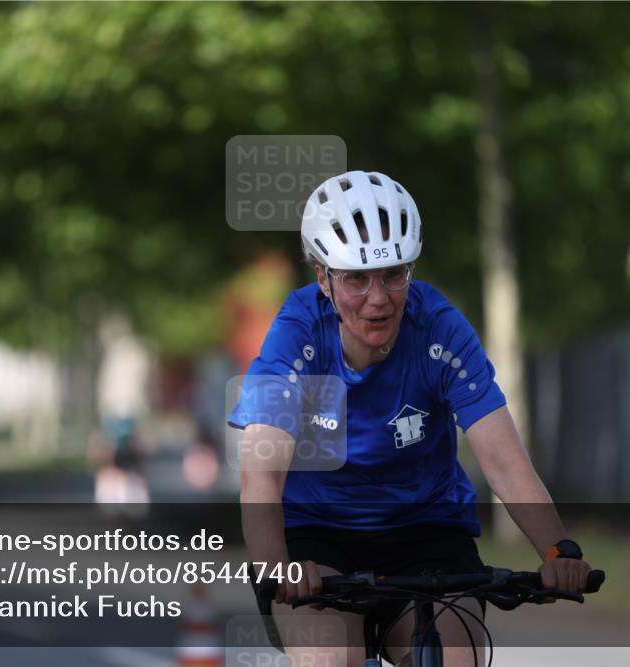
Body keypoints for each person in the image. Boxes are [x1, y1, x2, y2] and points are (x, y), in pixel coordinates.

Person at [230, 170, 592, 667]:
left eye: (394, 274)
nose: (378, 298)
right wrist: (278, 568)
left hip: (426, 531)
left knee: (454, 657)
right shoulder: (296, 335)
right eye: (356, 278)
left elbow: (506, 464)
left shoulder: (439, 328)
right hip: (317, 533)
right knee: (328, 657)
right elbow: (260, 477)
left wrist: (557, 550)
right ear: (323, 279)